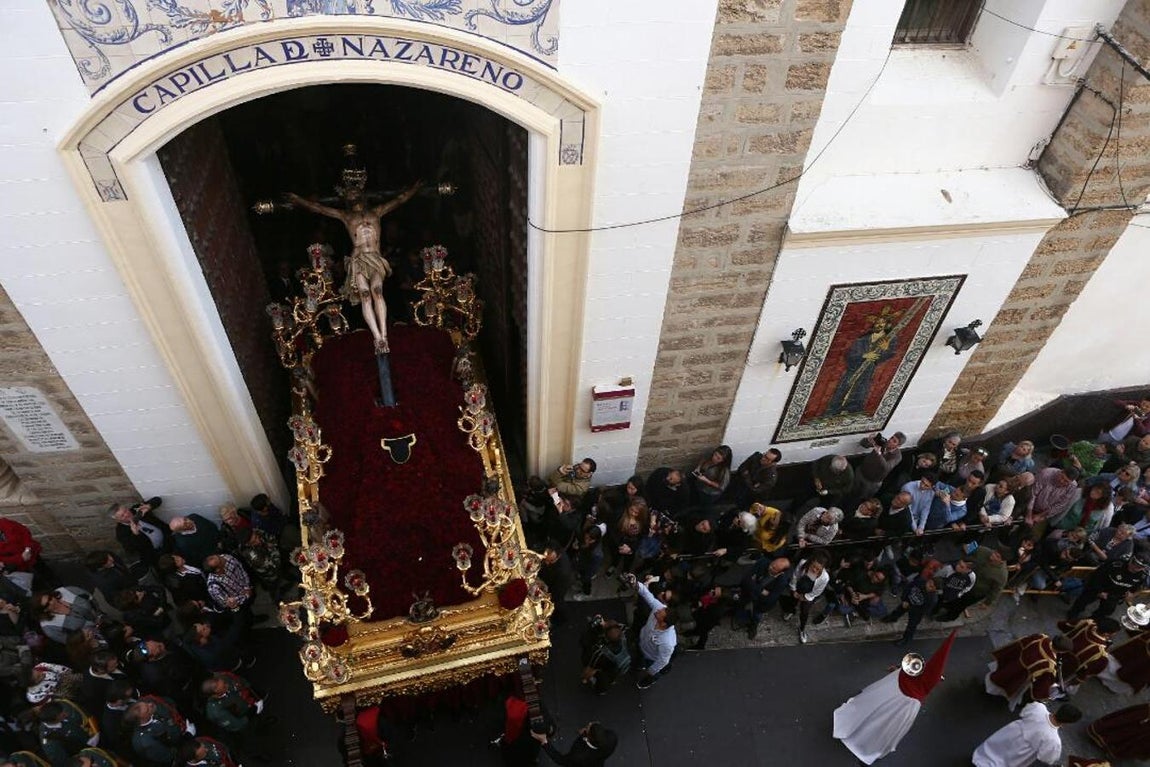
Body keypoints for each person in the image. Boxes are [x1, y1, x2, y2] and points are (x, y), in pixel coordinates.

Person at [284, 168, 421, 355]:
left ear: (362, 195)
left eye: (355, 193)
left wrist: (414, 189)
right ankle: (377, 338)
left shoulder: (376, 212)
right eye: (349, 194)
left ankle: (384, 334)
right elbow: (319, 208)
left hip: (374, 259)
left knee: (377, 292)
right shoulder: (346, 216)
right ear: (346, 199)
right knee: (365, 295)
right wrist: (299, 200)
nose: (353, 196)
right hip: (357, 260)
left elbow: (399, 200)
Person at [833, 630, 956, 765]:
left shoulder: (914, 670)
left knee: (870, 705)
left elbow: (909, 669)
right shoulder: (918, 694)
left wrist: (899, 669)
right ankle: (867, 746)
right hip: (904, 703)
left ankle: (852, 724)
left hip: (892, 686)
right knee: (883, 726)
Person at [972, 702, 1081, 767]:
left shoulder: (1038, 708)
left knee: (996, 747)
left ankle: (982, 756)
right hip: (1021, 752)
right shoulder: (1054, 741)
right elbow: (1047, 758)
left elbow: (1023, 712)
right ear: (1067, 723)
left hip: (1011, 733)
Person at [1067, 548, 1148, 621]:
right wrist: (1100, 591)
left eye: (1139, 567)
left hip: (1115, 594)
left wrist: (1131, 594)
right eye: (1134, 563)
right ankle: (1073, 614)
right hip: (1100, 586)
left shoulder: (1142, 575)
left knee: (1108, 610)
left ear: (1143, 568)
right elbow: (1096, 576)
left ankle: (1092, 620)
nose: (1134, 567)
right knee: (1083, 600)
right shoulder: (1115, 564)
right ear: (1131, 559)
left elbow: (1137, 587)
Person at [984, 633, 1060, 710]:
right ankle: (992, 696)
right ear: (1062, 651)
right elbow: (1042, 684)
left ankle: (987, 688)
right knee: (1008, 686)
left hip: (1014, 661)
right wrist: (1044, 695)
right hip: (1020, 675)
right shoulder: (1049, 665)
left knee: (999, 675)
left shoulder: (1041, 637)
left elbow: (1020, 643)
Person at [632, 575, 676, 689]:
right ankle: (638, 665)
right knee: (638, 659)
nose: (658, 609)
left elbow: (662, 661)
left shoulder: (667, 643)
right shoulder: (660, 608)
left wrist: (650, 671)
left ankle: (649, 680)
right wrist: (636, 584)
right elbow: (648, 596)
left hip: (650, 658)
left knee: (653, 673)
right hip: (642, 643)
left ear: (664, 624)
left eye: (660, 612)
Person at [779, 550, 830, 644]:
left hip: (809, 594)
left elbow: (817, 591)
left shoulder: (825, 577)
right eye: (813, 566)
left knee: (804, 612)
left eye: (818, 569)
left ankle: (802, 629)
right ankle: (790, 611)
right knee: (792, 602)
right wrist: (794, 590)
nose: (815, 570)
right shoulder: (803, 563)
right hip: (799, 587)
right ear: (811, 562)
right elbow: (795, 576)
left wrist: (805, 597)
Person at [1056, 617, 1121, 691]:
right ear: (1106, 634)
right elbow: (1081, 677)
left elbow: (1061, 625)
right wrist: (1066, 685)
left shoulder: (1086, 623)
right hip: (1063, 670)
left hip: (1055, 650)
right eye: (1113, 634)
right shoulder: (1100, 656)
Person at [37, 698, 100, 765]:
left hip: (91, 738)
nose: (66, 714)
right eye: (62, 715)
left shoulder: (61, 712)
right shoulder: (51, 743)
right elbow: (64, 762)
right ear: (54, 719)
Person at [109, 498, 168, 568]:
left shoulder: (136, 510)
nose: (127, 514)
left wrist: (149, 506)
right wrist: (136, 535)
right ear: (117, 520)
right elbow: (132, 551)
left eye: (125, 510)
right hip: (156, 553)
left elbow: (158, 500)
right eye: (122, 515)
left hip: (167, 538)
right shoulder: (121, 533)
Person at [579, 616, 630, 695]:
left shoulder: (600, 653)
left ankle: (600, 690)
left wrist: (585, 678)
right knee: (611, 677)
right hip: (619, 668)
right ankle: (610, 683)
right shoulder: (625, 634)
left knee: (602, 682)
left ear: (606, 637)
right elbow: (617, 629)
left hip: (604, 672)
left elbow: (589, 669)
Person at [530, 721, 617, 766]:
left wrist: (545, 742)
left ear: (589, 737)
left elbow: (561, 760)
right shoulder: (612, 738)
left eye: (588, 727)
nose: (589, 724)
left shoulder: (578, 756)